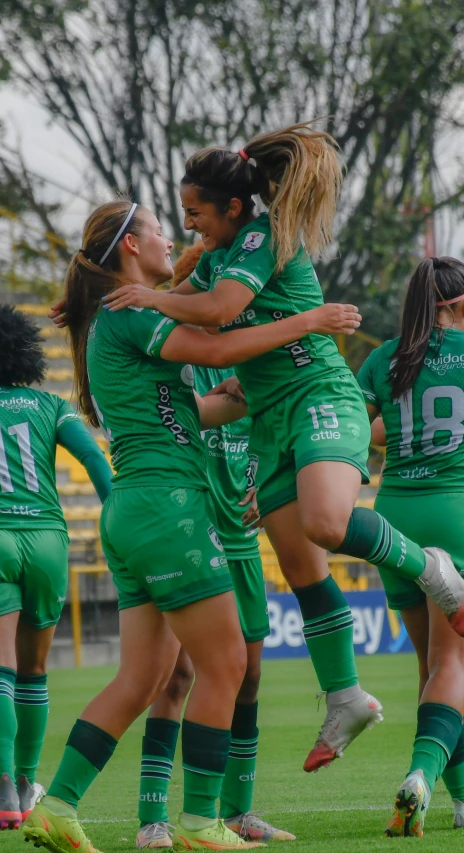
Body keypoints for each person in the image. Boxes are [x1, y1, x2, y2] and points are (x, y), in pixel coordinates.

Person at [101, 123, 464, 774]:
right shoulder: (213, 257)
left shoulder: (266, 236)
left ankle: (436, 570)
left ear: (234, 208)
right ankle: (346, 695)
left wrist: (154, 293)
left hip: (320, 396)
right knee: (303, 567)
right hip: (268, 418)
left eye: (195, 214)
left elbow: (215, 312)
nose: (189, 227)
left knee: (326, 523)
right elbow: (186, 315)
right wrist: (159, 297)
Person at [24, 200, 362, 853]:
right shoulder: (132, 311)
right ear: (129, 246)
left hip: (135, 507)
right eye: (155, 226)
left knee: (140, 679)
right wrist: (309, 321)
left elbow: (188, 410)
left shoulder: (115, 315)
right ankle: (202, 821)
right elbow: (217, 339)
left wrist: (238, 393)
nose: (170, 235)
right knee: (228, 661)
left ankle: (57, 804)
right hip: (169, 506)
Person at [135, 243, 294, 849]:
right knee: (175, 676)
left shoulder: (250, 355)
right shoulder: (176, 354)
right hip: (189, 530)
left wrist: (267, 478)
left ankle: (239, 811)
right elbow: (187, 420)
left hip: (240, 534)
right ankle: (154, 816)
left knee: (248, 674)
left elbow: (272, 429)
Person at [0, 305, 112, 832]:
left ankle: (4, 796)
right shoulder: (48, 405)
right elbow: (98, 464)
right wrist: (120, 519)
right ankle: (30, 779)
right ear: (26, 354)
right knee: (35, 671)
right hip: (45, 541)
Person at [357, 256, 464, 837]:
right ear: (454, 301)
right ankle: (421, 775)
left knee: (434, 669)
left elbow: (353, 429)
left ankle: (463, 800)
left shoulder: (385, 358)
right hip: (455, 512)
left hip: (395, 516)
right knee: (456, 665)